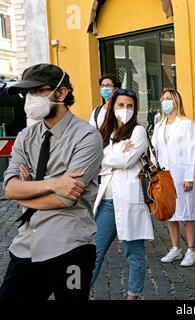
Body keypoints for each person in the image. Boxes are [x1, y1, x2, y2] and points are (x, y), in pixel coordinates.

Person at [0, 63, 103, 300]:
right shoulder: (26, 136)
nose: (31, 98)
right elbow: (10, 187)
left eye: (38, 91)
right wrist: (53, 183)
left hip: (70, 245)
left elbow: (65, 199)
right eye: (28, 93)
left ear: (62, 92)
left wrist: (26, 194)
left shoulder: (87, 137)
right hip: (26, 242)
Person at [90, 88, 154, 300]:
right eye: (121, 105)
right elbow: (96, 160)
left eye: (129, 106)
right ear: (113, 107)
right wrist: (112, 155)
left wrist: (104, 157)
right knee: (94, 253)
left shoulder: (138, 132)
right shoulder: (104, 132)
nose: (125, 109)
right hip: (107, 201)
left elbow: (127, 161)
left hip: (129, 200)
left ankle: (132, 296)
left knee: (134, 254)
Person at [153, 89, 195, 267]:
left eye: (169, 99)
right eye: (163, 99)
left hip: (181, 173)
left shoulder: (186, 124)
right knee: (170, 211)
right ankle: (175, 247)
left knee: (187, 212)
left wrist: (189, 177)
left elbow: (191, 150)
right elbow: (154, 149)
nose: (166, 102)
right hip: (164, 175)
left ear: (176, 101)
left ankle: (191, 249)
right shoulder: (159, 125)